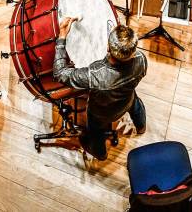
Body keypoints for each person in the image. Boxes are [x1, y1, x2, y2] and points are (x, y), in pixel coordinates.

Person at [53, 20, 147, 160]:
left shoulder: (95, 75)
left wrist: (61, 37)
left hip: (101, 114)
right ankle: (141, 127)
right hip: (128, 99)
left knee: (95, 132)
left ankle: (100, 154)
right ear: (133, 52)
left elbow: (59, 73)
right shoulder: (142, 59)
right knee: (136, 104)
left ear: (108, 48)